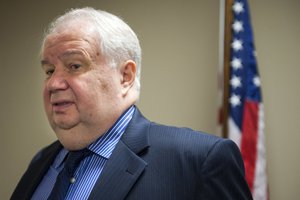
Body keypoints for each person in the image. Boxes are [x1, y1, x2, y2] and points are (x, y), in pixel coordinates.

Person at [11, 7, 252, 200]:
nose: (53, 84)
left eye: (74, 66)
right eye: (49, 70)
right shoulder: (42, 161)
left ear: (125, 77)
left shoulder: (199, 161)